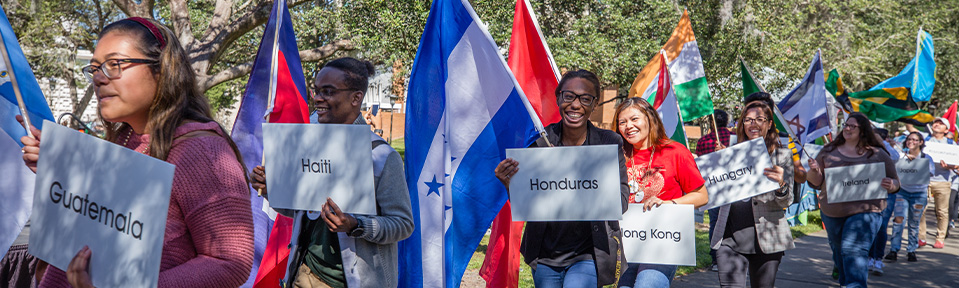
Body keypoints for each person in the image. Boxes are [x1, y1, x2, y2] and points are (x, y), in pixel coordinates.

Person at [20, 17, 254, 287]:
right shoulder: (124, 136)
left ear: (162, 69)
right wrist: (58, 171)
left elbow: (230, 262)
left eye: (114, 65)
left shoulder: (201, 151)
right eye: (94, 68)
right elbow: (95, 220)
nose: (98, 78)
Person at [250, 57, 414, 288]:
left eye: (328, 91)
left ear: (356, 97)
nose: (318, 98)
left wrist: (355, 225)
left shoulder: (381, 156)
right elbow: (300, 210)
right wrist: (271, 190)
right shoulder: (308, 141)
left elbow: (403, 224)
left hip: (353, 281)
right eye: (316, 91)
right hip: (305, 273)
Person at [494, 70, 628, 287]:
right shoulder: (538, 143)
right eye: (569, 96)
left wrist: (577, 174)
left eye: (585, 99)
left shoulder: (609, 143)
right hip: (545, 255)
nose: (576, 105)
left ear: (595, 105)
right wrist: (510, 184)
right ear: (558, 99)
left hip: (588, 254)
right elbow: (528, 202)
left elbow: (620, 202)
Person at [612, 97, 708, 288]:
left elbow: (701, 196)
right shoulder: (616, 154)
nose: (628, 126)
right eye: (622, 122)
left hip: (663, 240)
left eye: (634, 119)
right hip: (627, 243)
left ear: (650, 118)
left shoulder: (675, 151)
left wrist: (669, 204)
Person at [807, 112, 900, 288]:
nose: (847, 128)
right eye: (846, 125)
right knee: (839, 249)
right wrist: (813, 171)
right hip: (832, 212)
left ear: (863, 130)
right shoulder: (828, 151)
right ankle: (846, 282)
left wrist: (891, 184)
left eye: (852, 126)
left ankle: (854, 285)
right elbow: (816, 181)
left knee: (853, 249)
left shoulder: (877, 154)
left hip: (867, 212)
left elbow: (895, 181)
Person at [710, 101, 794, 288]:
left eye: (759, 119)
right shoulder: (729, 153)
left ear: (770, 123)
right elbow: (714, 191)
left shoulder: (782, 156)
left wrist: (781, 183)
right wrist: (718, 164)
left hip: (767, 240)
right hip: (729, 240)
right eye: (747, 120)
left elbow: (787, 200)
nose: (753, 124)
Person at [884, 132, 934, 263]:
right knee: (898, 220)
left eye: (915, 140)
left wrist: (916, 163)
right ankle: (894, 249)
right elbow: (893, 165)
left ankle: (911, 250)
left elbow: (930, 173)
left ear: (921, 142)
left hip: (919, 194)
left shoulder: (926, 157)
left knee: (914, 222)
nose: (911, 141)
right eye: (909, 139)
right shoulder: (900, 156)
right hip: (902, 192)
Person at [908, 117, 958, 248]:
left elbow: (957, 165)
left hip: (943, 182)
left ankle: (940, 238)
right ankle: (921, 238)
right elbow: (910, 130)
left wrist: (950, 166)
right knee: (921, 209)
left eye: (941, 124)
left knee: (942, 211)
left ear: (946, 130)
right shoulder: (926, 139)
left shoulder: (951, 144)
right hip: (924, 180)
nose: (937, 125)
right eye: (936, 122)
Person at [695, 109, 730, 272]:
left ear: (710, 122)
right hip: (732, 187)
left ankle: (716, 259)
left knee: (715, 223)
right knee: (731, 223)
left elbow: (700, 166)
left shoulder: (703, 141)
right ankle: (729, 257)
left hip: (712, 187)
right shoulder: (735, 139)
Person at [866, 127, 900, 275]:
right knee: (868, 225)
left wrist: (884, 144)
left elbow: (895, 157)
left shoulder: (888, 151)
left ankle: (877, 258)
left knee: (881, 226)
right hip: (868, 192)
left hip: (886, 193)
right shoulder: (865, 149)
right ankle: (867, 256)